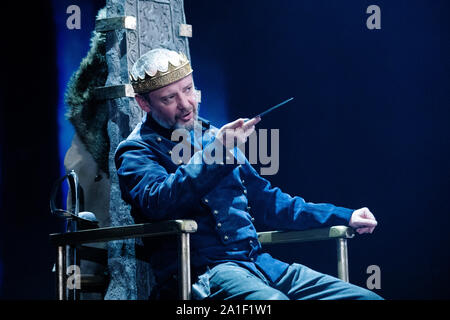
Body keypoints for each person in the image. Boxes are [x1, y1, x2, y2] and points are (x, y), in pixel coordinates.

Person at [115, 48, 383, 300]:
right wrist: (218, 151)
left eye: (188, 89)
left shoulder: (212, 136)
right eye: (169, 98)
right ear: (144, 103)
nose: (185, 104)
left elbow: (267, 202)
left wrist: (343, 215)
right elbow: (160, 202)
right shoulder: (136, 150)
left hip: (258, 264)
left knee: (365, 297)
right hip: (203, 273)